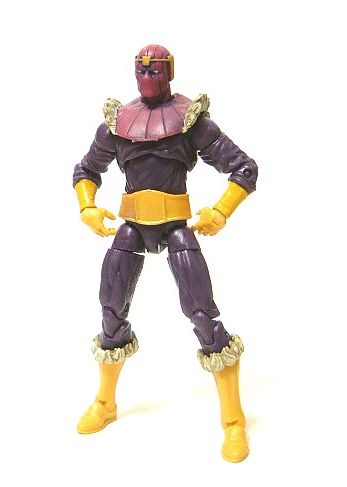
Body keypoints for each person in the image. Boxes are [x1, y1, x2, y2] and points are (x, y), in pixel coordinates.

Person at [72, 44, 258, 463]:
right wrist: (87, 207)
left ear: (169, 70)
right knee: (111, 312)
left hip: (176, 228)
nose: (148, 75)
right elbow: (86, 169)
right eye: (141, 69)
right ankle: (105, 402)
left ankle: (233, 420)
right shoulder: (118, 123)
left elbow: (244, 168)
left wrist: (220, 211)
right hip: (131, 227)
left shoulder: (190, 121)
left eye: (155, 69)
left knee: (202, 315)